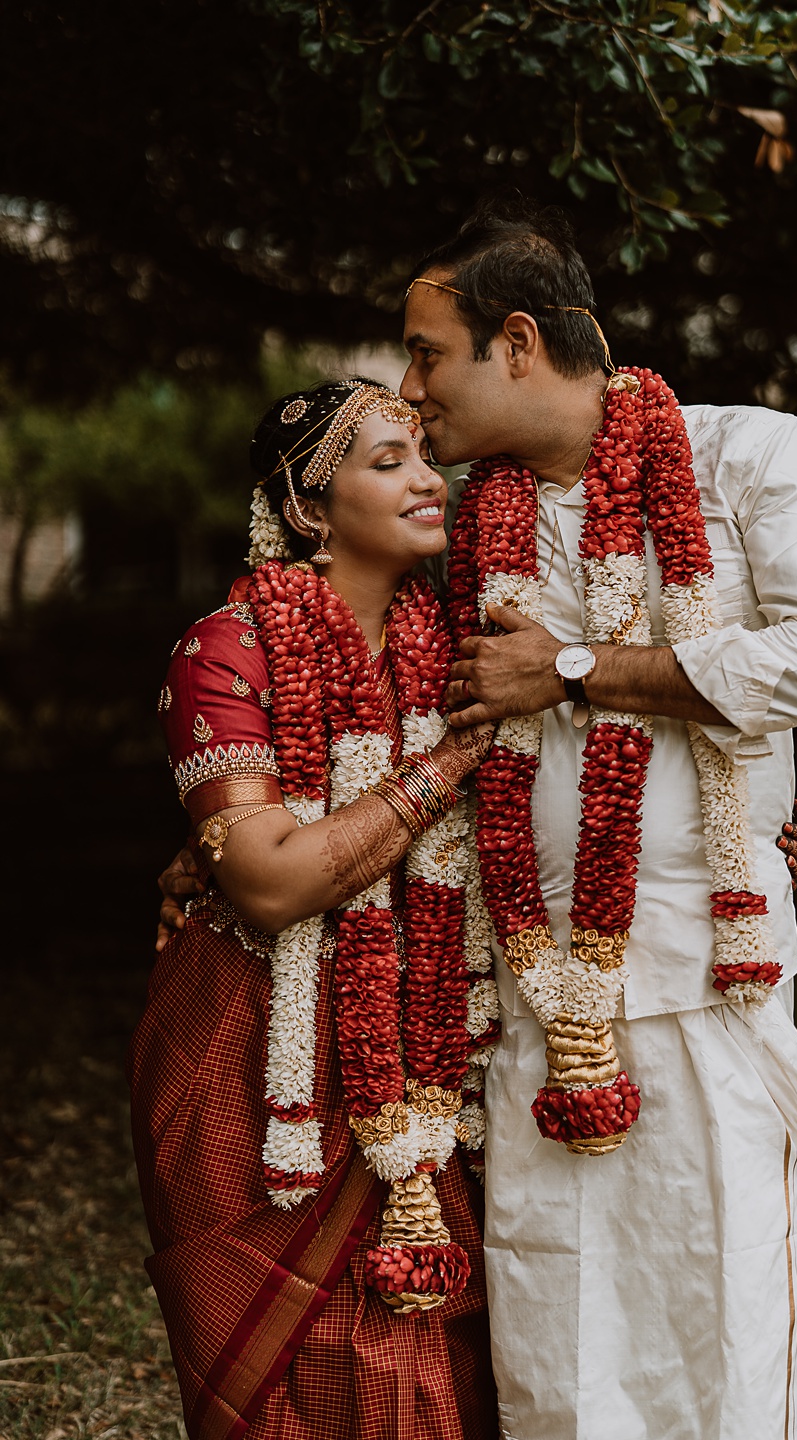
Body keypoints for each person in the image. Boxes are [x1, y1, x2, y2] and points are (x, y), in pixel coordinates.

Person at [389, 198, 797, 1440]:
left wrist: (570, 670)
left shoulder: (741, 452)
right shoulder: (456, 523)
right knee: (566, 1342)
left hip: (704, 981)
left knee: (730, 1321)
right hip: (531, 998)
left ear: (515, 342)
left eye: (426, 351)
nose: (408, 389)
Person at [128, 380, 499, 1440]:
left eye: (427, 454)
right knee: (293, 1379)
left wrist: (762, 837)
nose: (430, 477)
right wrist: (446, 769)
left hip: (428, 1041)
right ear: (306, 509)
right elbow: (271, 880)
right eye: (389, 460)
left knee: (435, 1358)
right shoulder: (227, 651)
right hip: (250, 1052)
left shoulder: (471, 646)